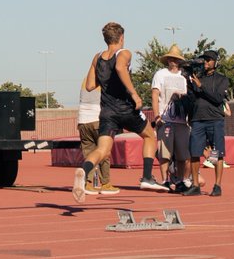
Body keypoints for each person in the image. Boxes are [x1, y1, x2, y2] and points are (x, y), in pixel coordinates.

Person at [71, 22, 167, 204]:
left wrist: (104, 76)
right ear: (121, 37)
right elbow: (120, 67)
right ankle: (147, 177)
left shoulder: (97, 57)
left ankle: (83, 173)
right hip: (125, 109)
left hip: (106, 112)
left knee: (102, 149)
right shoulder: (124, 53)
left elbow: (91, 85)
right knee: (149, 136)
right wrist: (134, 93)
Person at [183, 50, 229, 197]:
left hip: (215, 120)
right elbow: (192, 97)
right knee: (195, 153)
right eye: (204, 60)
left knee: (216, 154)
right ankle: (195, 185)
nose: (206, 62)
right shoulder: (198, 77)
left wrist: (201, 86)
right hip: (197, 120)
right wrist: (189, 81)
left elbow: (217, 98)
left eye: (209, 60)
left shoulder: (222, 79)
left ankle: (217, 186)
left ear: (215, 62)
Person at [151, 45, 192, 191]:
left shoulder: (185, 76)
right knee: (164, 153)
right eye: (171, 58)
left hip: (182, 120)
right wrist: (157, 116)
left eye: (175, 59)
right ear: (167, 60)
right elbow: (155, 95)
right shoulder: (160, 74)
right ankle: (164, 180)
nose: (173, 61)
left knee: (182, 154)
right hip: (165, 118)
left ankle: (181, 180)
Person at [77, 74, 118, 196]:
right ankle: (105, 183)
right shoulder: (105, 80)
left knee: (89, 153)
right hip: (98, 119)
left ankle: (87, 183)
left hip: (82, 121)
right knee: (104, 151)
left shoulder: (85, 80)